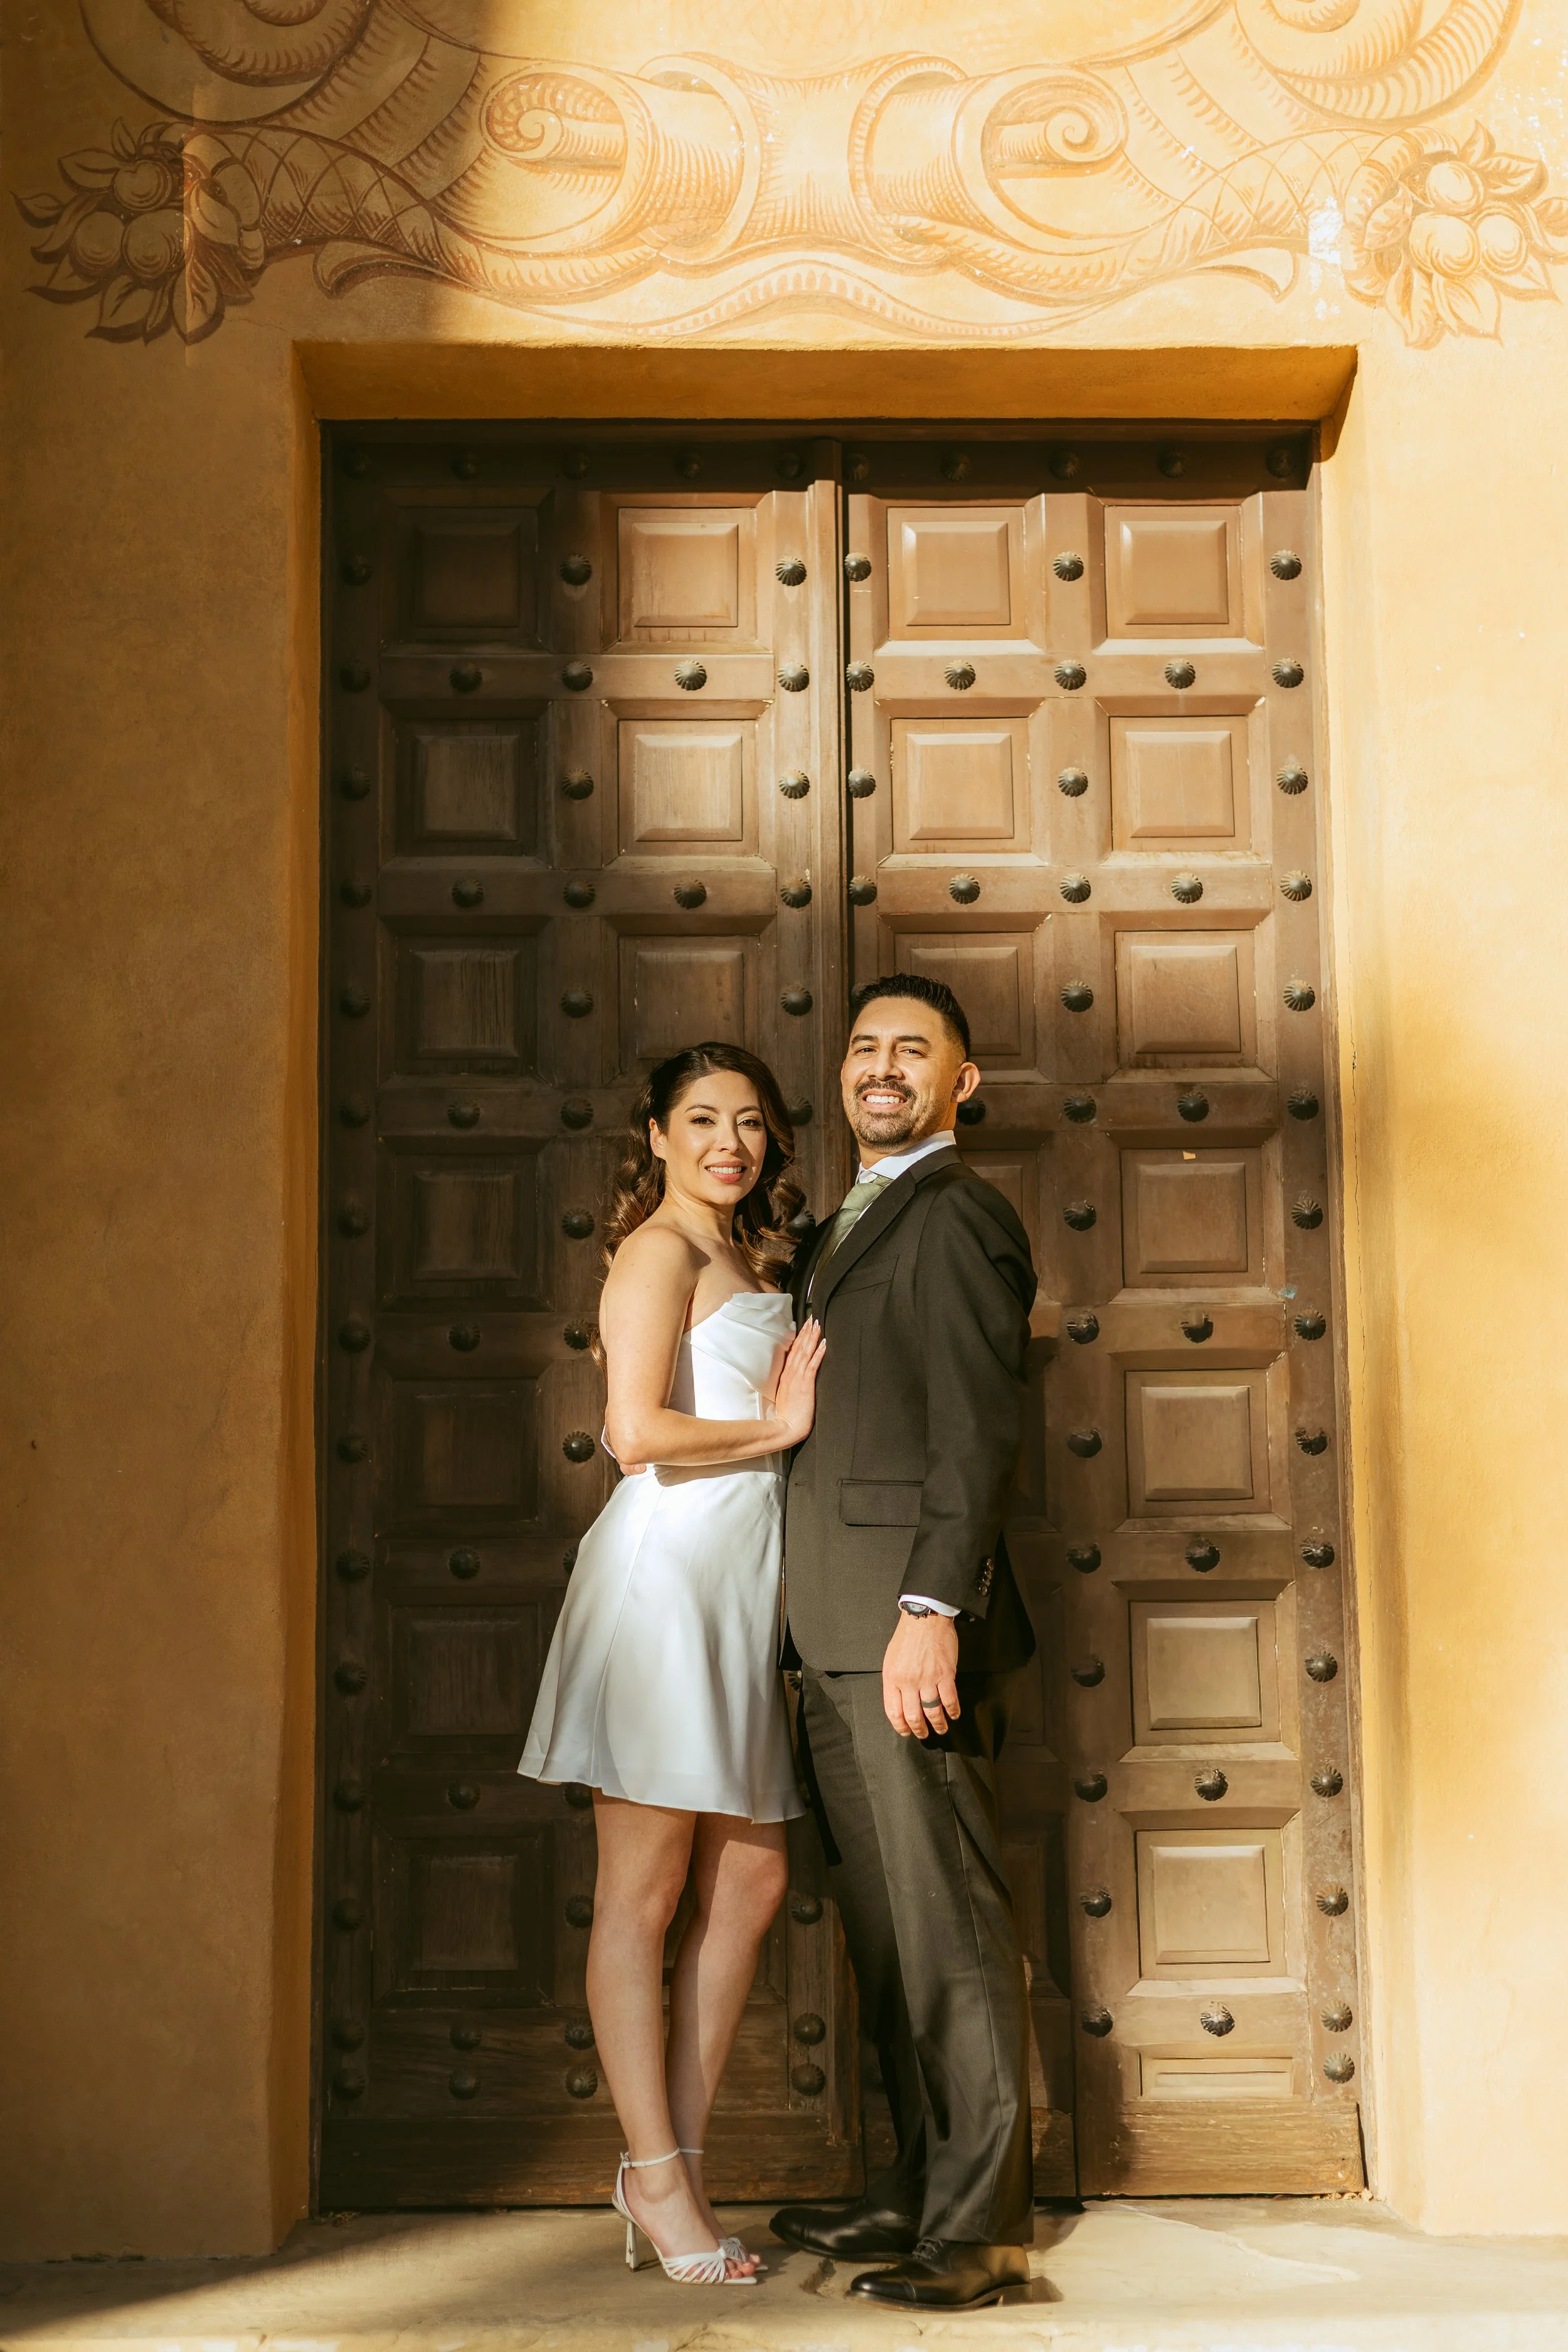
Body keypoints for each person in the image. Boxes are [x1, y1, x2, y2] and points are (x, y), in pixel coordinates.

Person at [518, 1042, 825, 2288]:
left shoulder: (747, 1256)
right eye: (701, 1120)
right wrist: (782, 1425)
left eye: (749, 1124)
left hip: (732, 1594)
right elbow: (632, 1433)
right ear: (652, 1135)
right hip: (663, 1591)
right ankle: (655, 2180)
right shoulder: (657, 1251)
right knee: (641, 1895)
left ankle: (674, 2166)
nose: (728, 1143)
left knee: (746, 1884)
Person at [770, 973, 1039, 2311]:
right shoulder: (841, 1225)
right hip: (821, 1626)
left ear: (960, 1083)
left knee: (946, 1929)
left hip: (894, 1629)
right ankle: (914, 2185)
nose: (881, 1067)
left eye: (912, 1051)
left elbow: (977, 1430)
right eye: (863, 1046)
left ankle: (979, 2229)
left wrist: (929, 1611)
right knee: (884, 1935)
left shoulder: (959, 1215)